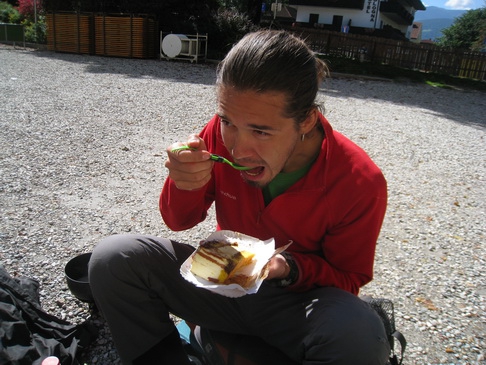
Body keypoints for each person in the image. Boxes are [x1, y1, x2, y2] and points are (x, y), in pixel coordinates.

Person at [89, 30, 390, 365]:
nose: (237, 148)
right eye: (227, 121)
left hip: (295, 305)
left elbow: (347, 281)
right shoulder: (215, 137)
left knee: (360, 334)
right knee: (114, 259)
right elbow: (178, 221)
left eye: (261, 131)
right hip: (221, 285)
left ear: (306, 119)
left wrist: (287, 268)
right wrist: (183, 182)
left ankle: (221, 343)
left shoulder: (359, 180)